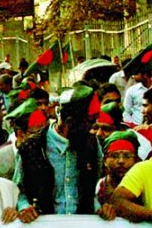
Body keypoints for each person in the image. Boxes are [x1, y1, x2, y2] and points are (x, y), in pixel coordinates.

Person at [13, 84, 101, 218]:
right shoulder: (31, 148)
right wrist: (25, 208)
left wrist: (99, 209)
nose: (91, 129)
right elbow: (18, 192)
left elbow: (91, 191)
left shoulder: (92, 145)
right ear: (70, 122)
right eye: (89, 123)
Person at [95, 131, 140, 220]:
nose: (121, 161)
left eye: (127, 156)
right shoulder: (96, 188)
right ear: (105, 161)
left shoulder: (145, 187)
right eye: (114, 156)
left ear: (136, 160)